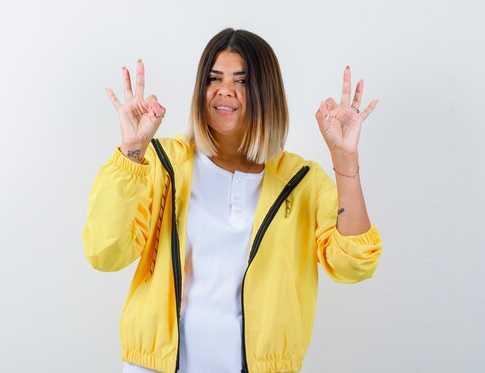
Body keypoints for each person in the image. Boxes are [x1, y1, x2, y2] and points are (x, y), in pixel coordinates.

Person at [81, 28, 382, 373]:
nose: (225, 90)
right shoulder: (161, 164)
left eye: (241, 80)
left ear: (265, 92)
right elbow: (104, 253)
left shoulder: (301, 182)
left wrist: (345, 159)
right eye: (214, 78)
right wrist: (133, 150)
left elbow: (354, 264)